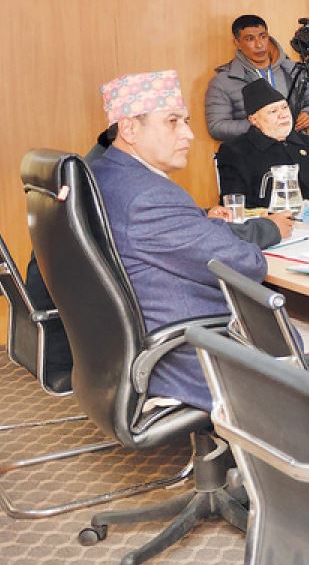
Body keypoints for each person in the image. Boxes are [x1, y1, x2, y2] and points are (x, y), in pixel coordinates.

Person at [90, 70, 291, 409]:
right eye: (173, 122)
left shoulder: (103, 173)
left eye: (185, 121)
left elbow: (165, 232)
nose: (189, 134)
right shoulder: (150, 197)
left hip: (132, 344)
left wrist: (202, 221)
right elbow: (247, 264)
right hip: (190, 357)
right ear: (129, 129)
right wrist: (229, 233)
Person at [215, 79, 309, 209]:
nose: (283, 115)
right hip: (268, 221)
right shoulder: (235, 152)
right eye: (273, 111)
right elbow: (234, 206)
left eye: (284, 107)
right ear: (254, 120)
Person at [205, 14, 309, 142]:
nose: (259, 45)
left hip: (294, 145)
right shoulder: (223, 81)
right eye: (250, 39)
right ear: (237, 43)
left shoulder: (293, 70)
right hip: (252, 150)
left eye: (263, 37)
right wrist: (260, 123)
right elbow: (216, 127)